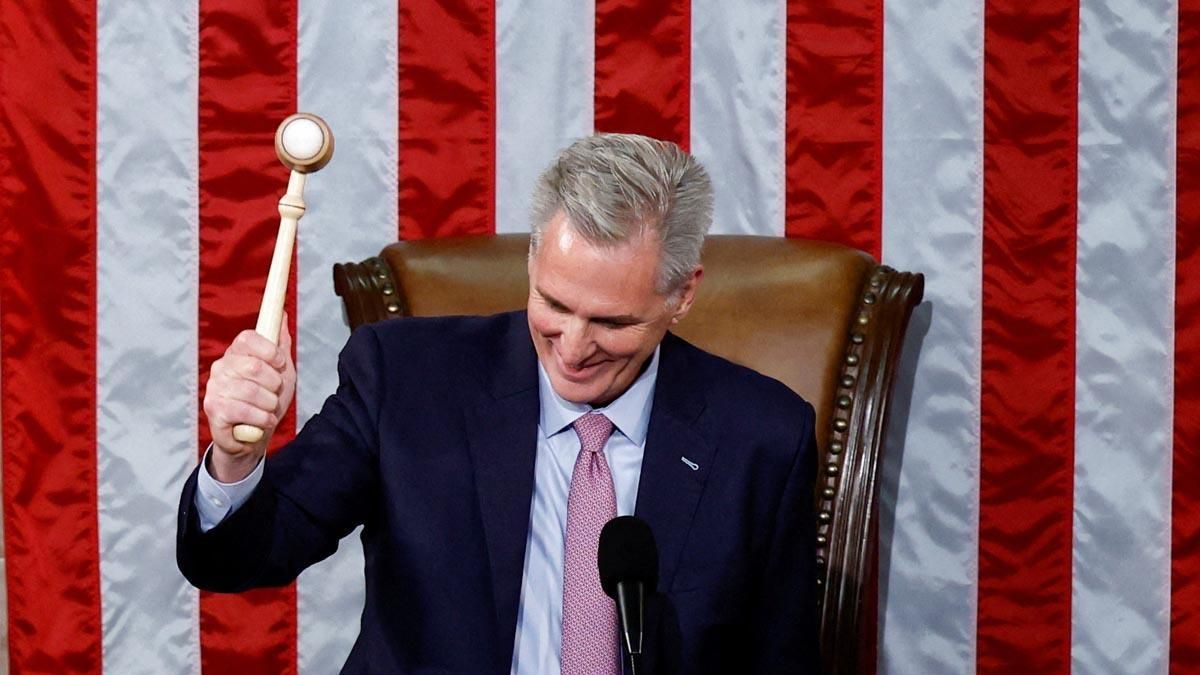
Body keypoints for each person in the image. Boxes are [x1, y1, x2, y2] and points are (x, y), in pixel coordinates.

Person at [178, 133, 819, 674]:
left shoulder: (762, 436)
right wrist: (236, 459)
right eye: (556, 305)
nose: (573, 348)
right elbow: (240, 558)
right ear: (534, 258)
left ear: (682, 294)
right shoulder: (407, 379)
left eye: (611, 322)